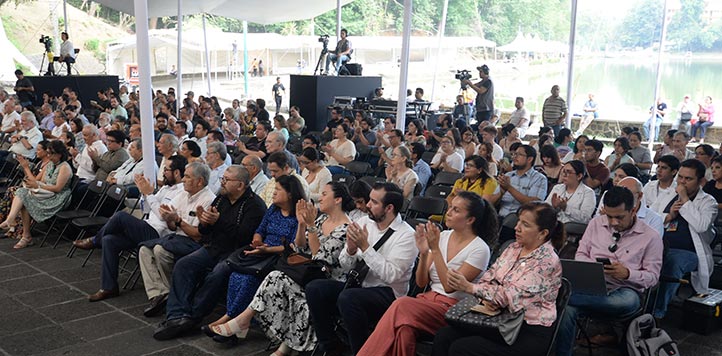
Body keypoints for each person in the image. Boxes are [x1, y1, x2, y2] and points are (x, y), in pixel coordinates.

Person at [203, 182, 351, 354]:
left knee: (278, 280)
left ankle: (246, 323)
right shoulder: (322, 219)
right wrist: (302, 224)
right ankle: (250, 325)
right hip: (307, 274)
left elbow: (320, 259)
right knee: (274, 277)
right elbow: (299, 247)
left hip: (324, 282)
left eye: (324, 194)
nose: (320, 198)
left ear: (338, 200)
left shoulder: (344, 229)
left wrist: (310, 226)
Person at [358, 192, 497, 356]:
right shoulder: (443, 236)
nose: (449, 212)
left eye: (456, 210)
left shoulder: (480, 249)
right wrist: (424, 253)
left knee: (401, 304)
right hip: (426, 301)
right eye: (450, 207)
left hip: (453, 308)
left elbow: (449, 287)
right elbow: (421, 282)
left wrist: (435, 249)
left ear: (470, 220)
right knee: (404, 330)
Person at [432, 201, 563, 356]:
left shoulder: (546, 262)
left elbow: (507, 296)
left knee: (462, 348)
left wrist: (470, 287)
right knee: (444, 336)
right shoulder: (513, 248)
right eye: (518, 221)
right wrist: (488, 297)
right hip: (498, 319)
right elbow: (488, 278)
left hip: (526, 329)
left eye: (525, 225)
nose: (517, 228)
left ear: (543, 233)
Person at [151, 165, 266, 339]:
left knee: (216, 275)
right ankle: (177, 316)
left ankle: (192, 317)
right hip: (214, 247)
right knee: (184, 265)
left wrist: (218, 221)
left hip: (237, 253)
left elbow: (243, 237)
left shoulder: (254, 205)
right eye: (222, 179)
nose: (222, 183)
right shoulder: (221, 198)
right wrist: (204, 222)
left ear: (240, 185)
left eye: (226, 180)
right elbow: (205, 232)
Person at [306, 182, 417, 355]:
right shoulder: (364, 222)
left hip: (388, 294)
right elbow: (346, 265)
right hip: (359, 285)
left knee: (348, 298)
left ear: (389, 208)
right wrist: (350, 250)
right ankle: (331, 347)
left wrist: (365, 248)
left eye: (374, 202)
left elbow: (391, 276)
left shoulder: (407, 236)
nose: (368, 205)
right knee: (315, 288)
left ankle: (363, 351)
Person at [194, 175, 304, 342]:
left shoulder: (297, 216)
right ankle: (237, 328)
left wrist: (267, 249)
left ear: (290, 194)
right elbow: (260, 229)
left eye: (278, 190)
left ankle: (228, 319)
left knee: (249, 279)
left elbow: (293, 246)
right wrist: (258, 240)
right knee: (236, 275)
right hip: (260, 251)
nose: (273, 193)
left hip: (279, 257)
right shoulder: (273, 209)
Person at [556, 186, 662, 355]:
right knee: (568, 311)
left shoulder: (651, 237)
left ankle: (561, 297)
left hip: (626, 290)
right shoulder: (596, 223)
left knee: (620, 301)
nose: (613, 222)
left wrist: (627, 273)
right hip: (593, 286)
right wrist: (593, 268)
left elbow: (653, 277)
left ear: (633, 210)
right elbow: (581, 253)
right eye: (609, 216)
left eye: (619, 217)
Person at [653, 159, 718, 319]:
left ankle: (657, 313)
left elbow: (701, 225)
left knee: (673, 263)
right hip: (660, 244)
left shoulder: (708, 202)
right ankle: (636, 306)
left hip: (689, 252)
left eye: (688, 179)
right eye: (680, 177)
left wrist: (685, 200)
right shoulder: (668, 195)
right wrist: (668, 216)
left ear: (701, 181)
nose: (682, 182)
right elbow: (652, 217)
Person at [1, 141, 72, 249]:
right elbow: (37, 180)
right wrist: (26, 168)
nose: (48, 156)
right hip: (46, 194)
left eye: (51, 154)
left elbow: (58, 188)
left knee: (23, 195)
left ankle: (16, 225)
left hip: (57, 198)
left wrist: (38, 185)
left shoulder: (64, 167)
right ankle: (23, 233)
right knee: (23, 195)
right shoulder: (50, 165)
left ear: (59, 154)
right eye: (48, 153)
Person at [546, 160, 595, 224]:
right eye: (563, 171)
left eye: (568, 172)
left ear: (579, 176)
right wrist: (554, 207)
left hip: (572, 227)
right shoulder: (557, 188)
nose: (564, 175)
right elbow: (545, 208)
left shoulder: (588, 193)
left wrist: (566, 208)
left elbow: (585, 218)